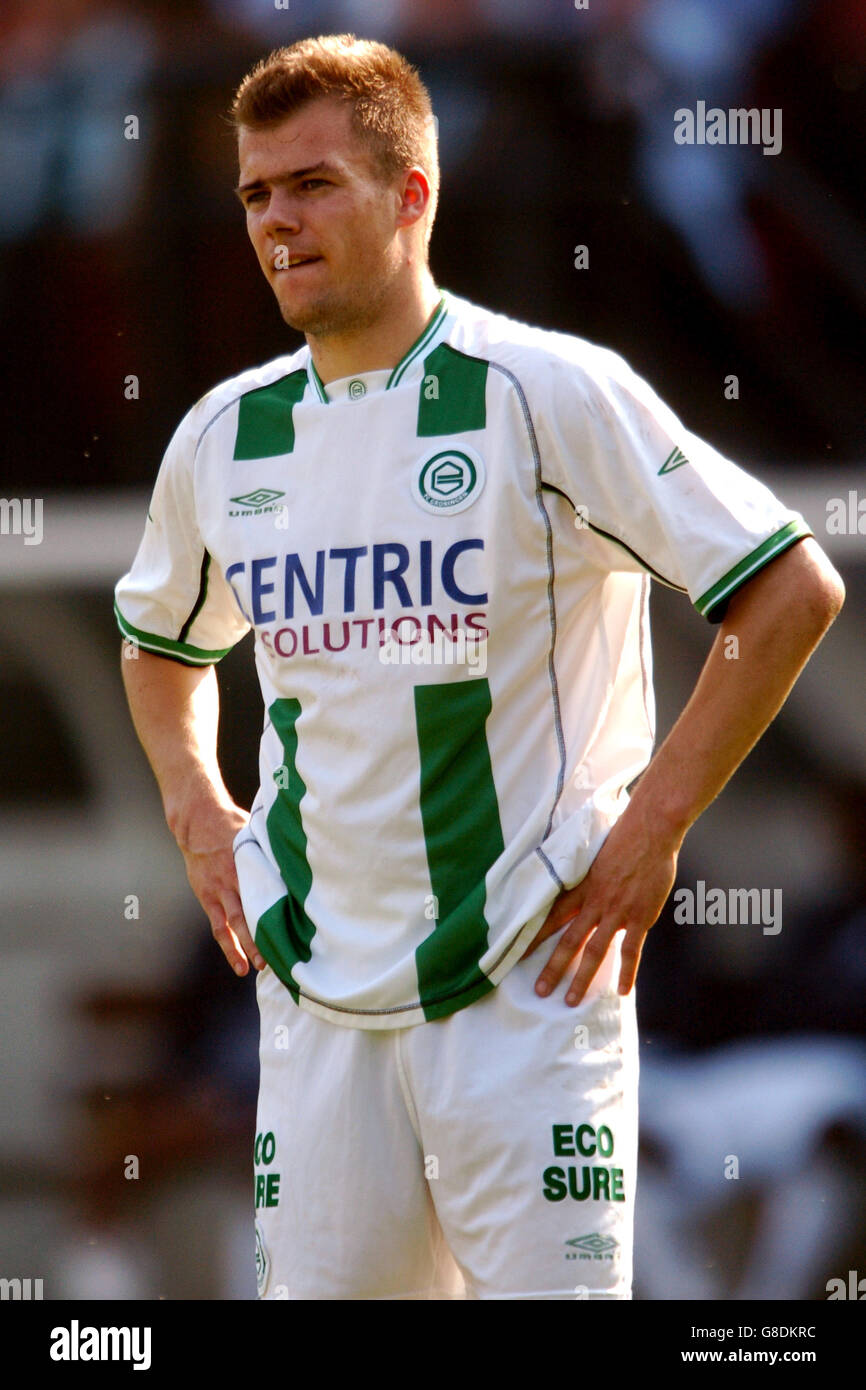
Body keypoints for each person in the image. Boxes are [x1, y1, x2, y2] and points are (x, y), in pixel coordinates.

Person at [115, 33, 844, 1300]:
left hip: (523, 995)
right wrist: (191, 792)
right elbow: (155, 640)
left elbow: (787, 589)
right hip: (320, 1008)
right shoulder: (223, 437)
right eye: (254, 193)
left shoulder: (545, 391)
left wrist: (652, 829)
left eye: (312, 184)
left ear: (412, 194)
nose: (276, 220)